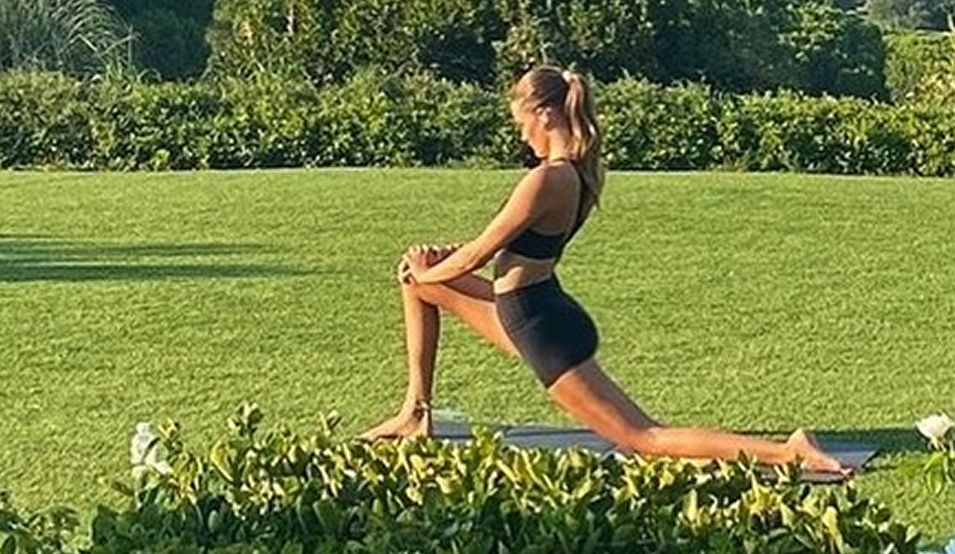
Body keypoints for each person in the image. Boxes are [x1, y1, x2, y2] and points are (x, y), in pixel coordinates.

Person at [362, 64, 851, 476]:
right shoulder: (573, 171)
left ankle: (788, 450)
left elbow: (481, 254)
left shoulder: (547, 179)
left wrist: (437, 269)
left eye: (521, 124)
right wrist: (428, 268)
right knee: (414, 277)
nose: (521, 135)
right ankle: (415, 412)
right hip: (528, 310)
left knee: (643, 438)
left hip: (539, 327)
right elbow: (500, 246)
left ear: (545, 114)